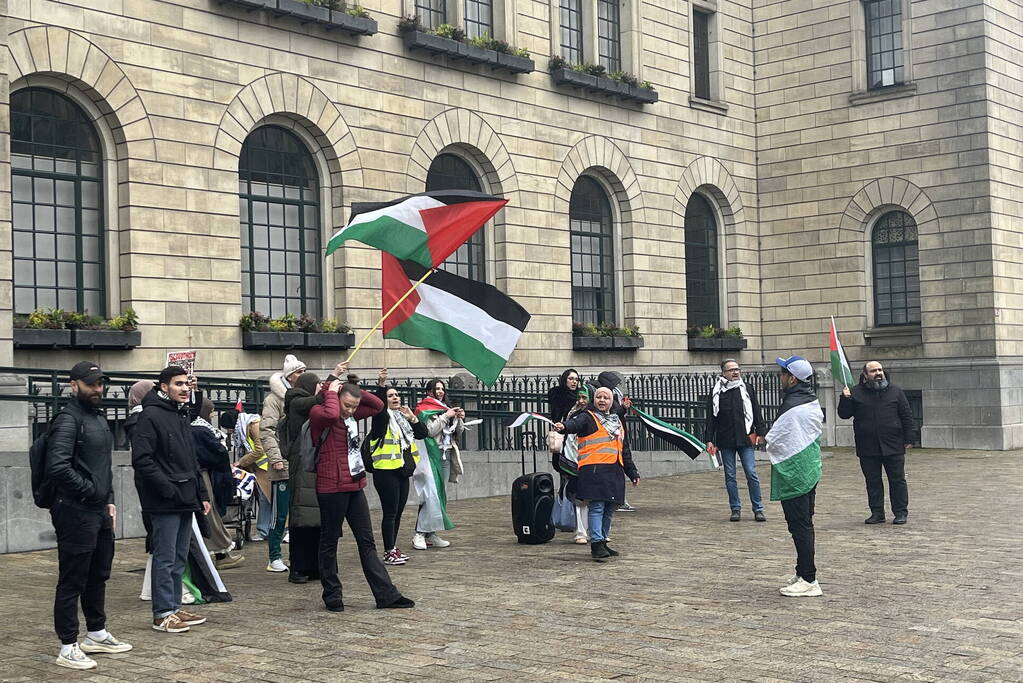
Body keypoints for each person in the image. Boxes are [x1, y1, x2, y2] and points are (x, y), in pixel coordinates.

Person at [47, 361, 132, 670]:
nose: (97, 389)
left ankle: (96, 633)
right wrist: (90, 491)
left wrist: (107, 498)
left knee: (99, 574)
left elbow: (101, 466)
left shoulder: (96, 417)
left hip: (97, 509)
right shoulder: (68, 420)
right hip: (74, 510)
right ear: (74, 385)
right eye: (91, 384)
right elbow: (57, 467)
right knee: (72, 579)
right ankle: (67, 646)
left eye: (100, 384)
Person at [310, 374, 414, 612]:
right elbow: (330, 414)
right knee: (329, 541)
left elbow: (378, 406)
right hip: (331, 486)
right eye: (347, 405)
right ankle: (332, 594)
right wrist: (330, 389)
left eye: (354, 407)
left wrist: (355, 389)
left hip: (354, 484)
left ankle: (386, 594)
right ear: (336, 399)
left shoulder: (351, 413)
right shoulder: (320, 412)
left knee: (367, 541)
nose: (350, 410)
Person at [131, 366, 212, 632]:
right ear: (164, 387)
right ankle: (162, 613)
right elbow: (143, 460)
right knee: (165, 557)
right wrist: (167, 488)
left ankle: (174, 607)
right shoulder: (150, 416)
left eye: (186, 383)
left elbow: (191, 458)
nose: (185, 388)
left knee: (179, 556)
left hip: (185, 496)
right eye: (178, 384)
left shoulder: (180, 414)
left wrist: (200, 494)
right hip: (165, 499)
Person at [554, 386, 640, 561]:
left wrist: (632, 472)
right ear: (594, 400)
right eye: (599, 397)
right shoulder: (587, 416)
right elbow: (575, 424)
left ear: (611, 401)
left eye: (606, 398)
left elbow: (624, 449)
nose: (602, 400)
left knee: (610, 508)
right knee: (597, 506)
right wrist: (564, 427)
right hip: (593, 470)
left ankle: (603, 542)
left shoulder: (616, 420)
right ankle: (596, 543)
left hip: (614, 470)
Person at [766, 356, 824, 598]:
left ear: (792, 378)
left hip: (797, 472)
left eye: (782, 374)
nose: (780, 378)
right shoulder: (807, 399)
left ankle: (810, 579)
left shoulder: (794, 405)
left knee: (800, 525)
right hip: (809, 469)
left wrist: (765, 440)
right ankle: (802, 572)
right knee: (802, 524)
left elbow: (777, 437)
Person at [837, 361, 917, 525]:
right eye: (873, 371)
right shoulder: (855, 392)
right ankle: (877, 512)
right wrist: (845, 398)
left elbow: (907, 415)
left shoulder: (896, 392)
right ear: (865, 375)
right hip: (867, 446)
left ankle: (900, 512)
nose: (878, 373)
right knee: (873, 481)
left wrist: (909, 437)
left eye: (880, 370)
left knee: (897, 480)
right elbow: (844, 414)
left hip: (893, 444)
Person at [368, 369, 430, 565]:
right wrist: (381, 385)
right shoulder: (381, 419)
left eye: (396, 395)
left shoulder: (401, 418)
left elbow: (422, 434)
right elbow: (378, 408)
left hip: (403, 471)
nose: (395, 398)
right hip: (385, 471)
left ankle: (393, 548)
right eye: (390, 395)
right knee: (390, 512)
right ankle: (388, 551)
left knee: (399, 511)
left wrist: (412, 418)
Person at [704, 358, 768, 522]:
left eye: (737, 369)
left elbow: (756, 411)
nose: (735, 372)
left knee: (751, 472)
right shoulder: (716, 392)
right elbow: (711, 418)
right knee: (730, 475)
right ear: (724, 373)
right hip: (725, 439)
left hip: (745, 437)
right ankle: (735, 508)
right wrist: (709, 439)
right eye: (731, 370)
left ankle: (758, 508)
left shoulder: (747, 389)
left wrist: (760, 432)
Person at [260, 354, 307, 572]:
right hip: (283, 464)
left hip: (301, 462)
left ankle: (299, 554)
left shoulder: (303, 398)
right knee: (280, 513)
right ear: (289, 376)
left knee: (299, 512)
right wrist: (276, 458)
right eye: (298, 372)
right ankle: (274, 556)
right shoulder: (273, 400)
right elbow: (267, 431)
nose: (302, 375)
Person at [411, 379, 464, 550]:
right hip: (430, 455)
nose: (440, 391)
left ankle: (431, 533)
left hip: (446, 454)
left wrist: (459, 419)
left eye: (442, 389)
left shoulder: (445, 407)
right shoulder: (423, 408)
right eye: (437, 388)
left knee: (439, 494)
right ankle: (419, 533)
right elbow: (430, 431)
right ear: (429, 391)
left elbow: (458, 432)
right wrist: (445, 416)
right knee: (429, 494)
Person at [284, 371, 324, 584]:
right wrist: (333, 380)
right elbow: (318, 400)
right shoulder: (296, 401)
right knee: (301, 519)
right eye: (316, 384)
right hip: (301, 467)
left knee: (316, 519)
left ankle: (314, 566)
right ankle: (298, 567)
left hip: (313, 464)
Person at [191, 397, 240, 564]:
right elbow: (216, 453)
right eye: (210, 411)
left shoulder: (198, 428)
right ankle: (221, 552)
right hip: (205, 476)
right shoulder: (201, 430)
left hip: (204, 474)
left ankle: (220, 552)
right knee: (209, 513)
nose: (212, 415)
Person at [220, 408, 270, 541]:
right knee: (265, 499)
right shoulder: (247, 425)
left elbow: (259, 450)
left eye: (229, 429)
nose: (230, 432)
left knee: (266, 499)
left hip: (265, 467)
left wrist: (240, 462)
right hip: (259, 468)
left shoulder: (254, 425)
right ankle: (265, 530)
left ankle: (264, 531)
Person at [557, 386, 592, 544]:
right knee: (579, 498)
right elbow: (572, 427)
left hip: (596, 462)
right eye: (580, 397)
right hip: (576, 461)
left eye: (585, 398)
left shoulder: (599, 415)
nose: (581, 401)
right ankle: (581, 531)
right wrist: (564, 427)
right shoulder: (575, 414)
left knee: (598, 500)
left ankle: (597, 531)